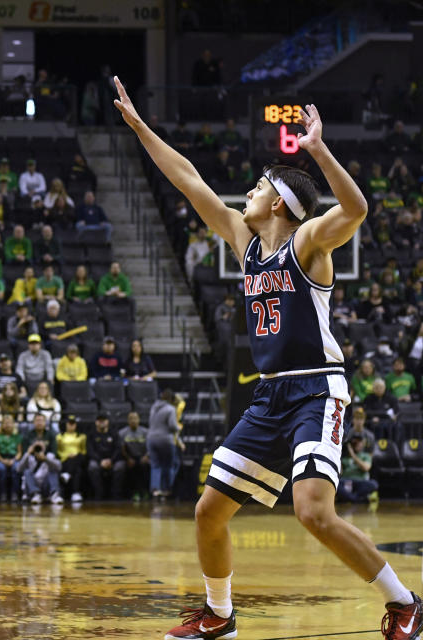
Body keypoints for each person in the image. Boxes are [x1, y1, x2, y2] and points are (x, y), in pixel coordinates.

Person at [113, 77, 423, 636]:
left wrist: (318, 150)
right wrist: (140, 128)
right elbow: (188, 180)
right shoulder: (243, 241)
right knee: (209, 511)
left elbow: (357, 207)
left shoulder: (308, 244)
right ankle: (219, 615)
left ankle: (405, 603)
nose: (245, 194)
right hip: (271, 393)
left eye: (257, 186)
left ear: (278, 200)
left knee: (312, 511)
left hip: (317, 389)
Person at [147, 388, 182, 500]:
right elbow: (172, 426)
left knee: (155, 465)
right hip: (165, 440)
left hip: (151, 439)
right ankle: (166, 490)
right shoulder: (170, 409)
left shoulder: (153, 407)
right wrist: (179, 427)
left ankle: (155, 490)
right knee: (168, 465)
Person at [87, 413, 124, 500]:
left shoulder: (114, 433)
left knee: (120, 466)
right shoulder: (92, 434)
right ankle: (99, 493)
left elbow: (118, 449)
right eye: (100, 421)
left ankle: (116, 494)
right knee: (92, 466)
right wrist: (100, 461)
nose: (102, 423)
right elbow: (90, 451)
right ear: (96, 422)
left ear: (108, 422)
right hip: (98, 460)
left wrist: (111, 460)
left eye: (104, 420)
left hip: (113, 460)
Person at [336, 434, 378, 503]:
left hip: (360, 482)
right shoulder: (345, 457)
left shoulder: (366, 456)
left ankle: (349, 498)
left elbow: (366, 468)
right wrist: (339, 456)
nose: (358, 444)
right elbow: (340, 473)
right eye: (355, 442)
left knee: (374, 484)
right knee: (335, 484)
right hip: (346, 482)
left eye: (359, 442)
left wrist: (353, 455)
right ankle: (356, 499)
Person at [56, 414, 87, 502]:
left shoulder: (81, 437)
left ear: (76, 425)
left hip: (78, 458)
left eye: (73, 424)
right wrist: (66, 456)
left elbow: (83, 451)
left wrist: (76, 455)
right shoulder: (60, 436)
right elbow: (58, 451)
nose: (71, 425)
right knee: (77, 470)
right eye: (69, 423)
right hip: (65, 459)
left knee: (78, 458)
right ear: (66, 424)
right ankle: (75, 493)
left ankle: (67, 474)